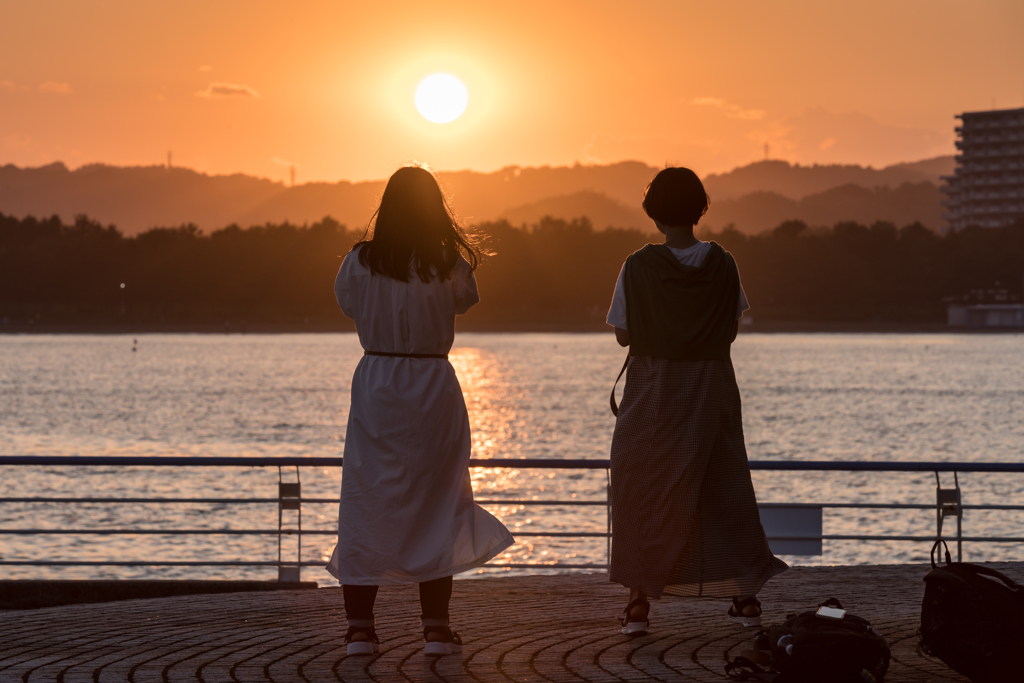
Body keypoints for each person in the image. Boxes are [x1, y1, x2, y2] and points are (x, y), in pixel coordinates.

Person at [327, 165, 514, 657]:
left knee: (366, 502)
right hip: (433, 385)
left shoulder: (358, 262)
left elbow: (347, 304)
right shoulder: (448, 262)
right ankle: (435, 628)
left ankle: (360, 630)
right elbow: (467, 302)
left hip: (376, 387)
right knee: (439, 503)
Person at [606, 167, 787, 637]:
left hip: (655, 388)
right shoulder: (724, 264)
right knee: (721, 487)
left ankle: (639, 603)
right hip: (713, 385)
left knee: (643, 488)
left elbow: (624, 333)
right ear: (700, 208)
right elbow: (733, 321)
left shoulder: (637, 265)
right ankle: (745, 597)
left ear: (654, 212)